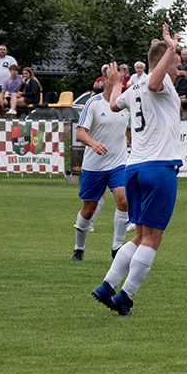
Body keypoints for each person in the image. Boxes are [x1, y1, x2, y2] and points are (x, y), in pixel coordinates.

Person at [91, 23, 183, 316]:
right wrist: (171, 48)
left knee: (141, 235)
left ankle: (107, 285)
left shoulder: (133, 88)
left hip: (134, 168)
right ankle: (126, 296)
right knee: (153, 238)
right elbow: (155, 84)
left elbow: (115, 104)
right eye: (177, 65)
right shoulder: (162, 83)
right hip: (159, 168)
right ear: (164, 62)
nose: (179, 71)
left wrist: (116, 80)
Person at [72, 65, 130, 262]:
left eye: (121, 80)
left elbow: (129, 129)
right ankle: (79, 248)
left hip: (118, 162)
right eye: (115, 79)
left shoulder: (125, 103)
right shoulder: (93, 103)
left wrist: (132, 141)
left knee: (123, 200)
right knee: (89, 208)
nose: (119, 83)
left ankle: (117, 248)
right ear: (105, 80)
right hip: (94, 165)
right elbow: (80, 133)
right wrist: (93, 143)